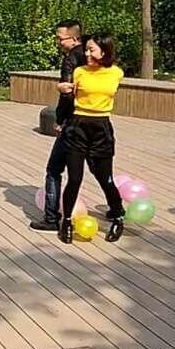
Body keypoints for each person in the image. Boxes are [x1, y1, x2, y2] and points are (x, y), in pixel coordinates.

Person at [56, 34, 126, 244]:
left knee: (105, 178)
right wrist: (62, 90)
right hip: (77, 127)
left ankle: (118, 216)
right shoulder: (79, 72)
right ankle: (67, 221)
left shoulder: (116, 73)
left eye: (91, 50)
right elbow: (68, 96)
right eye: (86, 49)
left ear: (104, 51)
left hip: (101, 128)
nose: (87, 53)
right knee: (74, 178)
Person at [30, 19, 84, 232]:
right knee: (98, 170)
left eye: (60, 38)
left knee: (54, 170)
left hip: (72, 122)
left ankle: (51, 217)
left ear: (74, 38)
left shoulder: (71, 59)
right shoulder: (93, 59)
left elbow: (66, 94)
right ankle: (116, 212)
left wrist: (60, 119)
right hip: (94, 121)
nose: (58, 42)